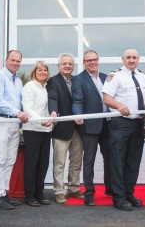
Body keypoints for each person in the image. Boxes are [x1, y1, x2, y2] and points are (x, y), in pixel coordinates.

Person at [102, 48, 145, 211]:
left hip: (138, 124)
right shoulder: (115, 76)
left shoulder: (143, 77)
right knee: (117, 161)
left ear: (138, 59)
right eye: (128, 57)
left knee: (133, 162)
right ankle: (119, 197)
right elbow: (107, 98)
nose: (131, 60)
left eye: (134, 57)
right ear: (123, 59)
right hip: (120, 124)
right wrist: (119, 105)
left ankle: (129, 193)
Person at [0, 50, 29, 210]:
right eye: (13, 60)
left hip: (14, 124)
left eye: (18, 61)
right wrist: (18, 112)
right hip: (0, 121)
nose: (15, 63)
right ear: (6, 60)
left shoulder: (18, 81)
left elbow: (21, 103)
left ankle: (4, 193)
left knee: (10, 161)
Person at [72, 50, 112, 206]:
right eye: (89, 60)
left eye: (94, 59)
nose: (92, 62)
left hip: (108, 124)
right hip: (89, 126)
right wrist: (78, 115)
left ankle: (110, 188)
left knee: (110, 158)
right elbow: (77, 100)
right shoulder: (78, 79)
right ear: (84, 62)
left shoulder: (105, 77)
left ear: (98, 60)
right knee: (89, 160)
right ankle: (89, 192)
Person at [47, 53, 84, 204]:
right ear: (59, 66)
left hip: (78, 127)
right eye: (64, 63)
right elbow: (53, 98)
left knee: (76, 161)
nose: (67, 66)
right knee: (59, 163)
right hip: (61, 128)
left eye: (70, 63)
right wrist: (53, 111)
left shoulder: (77, 80)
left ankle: (74, 188)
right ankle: (59, 191)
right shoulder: (53, 81)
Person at [22, 61, 55, 207]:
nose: (43, 72)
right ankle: (29, 195)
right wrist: (41, 121)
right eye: (40, 70)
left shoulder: (46, 87)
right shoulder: (30, 86)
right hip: (33, 129)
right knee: (32, 163)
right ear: (34, 72)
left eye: (45, 70)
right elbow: (27, 107)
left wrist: (51, 120)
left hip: (46, 130)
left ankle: (39, 193)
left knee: (43, 163)